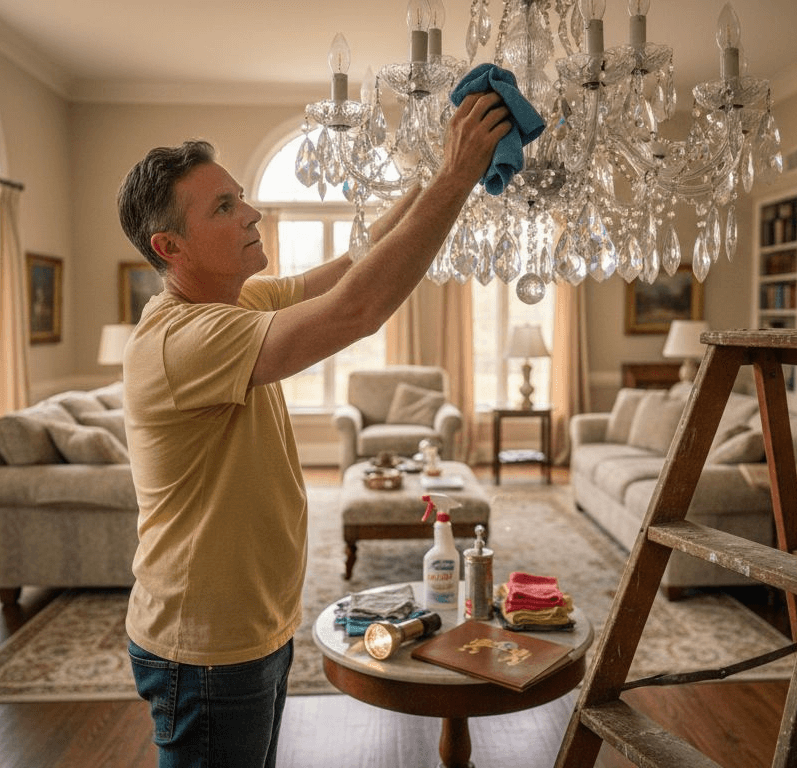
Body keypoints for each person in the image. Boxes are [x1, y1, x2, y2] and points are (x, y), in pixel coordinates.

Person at [115, 90, 511, 768]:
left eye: (241, 198)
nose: (252, 212)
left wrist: (429, 180)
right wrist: (455, 177)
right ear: (169, 247)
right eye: (225, 208)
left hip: (253, 628)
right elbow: (355, 310)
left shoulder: (237, 299)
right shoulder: (182, 338)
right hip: (204, 646)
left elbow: (352, 268)